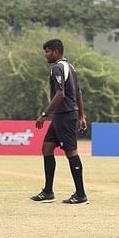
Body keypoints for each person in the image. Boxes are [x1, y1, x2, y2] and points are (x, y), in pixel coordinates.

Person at [30, 39, 88, 204]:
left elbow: (60, 94)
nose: (46, 55)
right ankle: (48, 192)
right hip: (63, 115)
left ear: (55, 51)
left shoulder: (57, 67)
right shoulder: (70, 67)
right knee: (47, 148)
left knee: (71, 152)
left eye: (47, 51)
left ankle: (81, 194)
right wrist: (81, 115)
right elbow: (78, 93)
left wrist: (44, 114)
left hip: (64, 115)